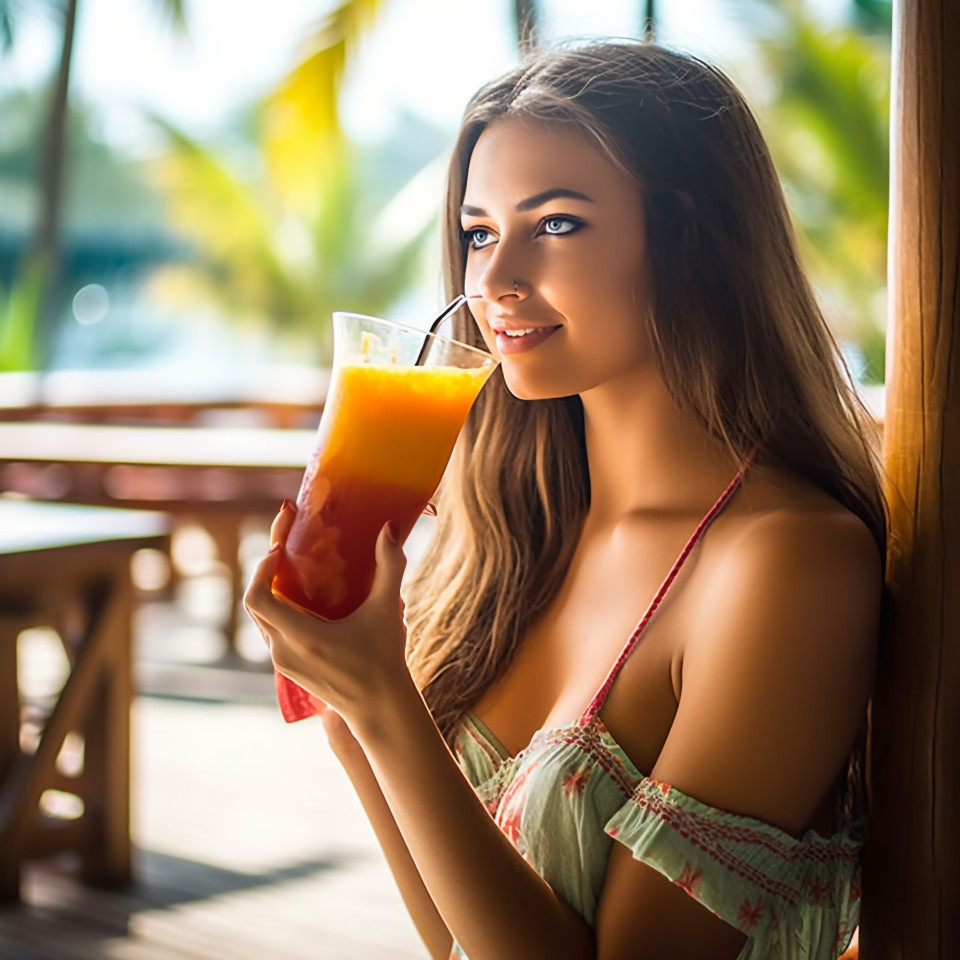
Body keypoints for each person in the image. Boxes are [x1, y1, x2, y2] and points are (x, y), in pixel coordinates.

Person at [244, 40, 885, 960]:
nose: (495, 280)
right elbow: (460, 941)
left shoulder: (789, 561)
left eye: (555, 225)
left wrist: (390, 706)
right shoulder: (516, 540)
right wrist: (354, 717)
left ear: (689, 238)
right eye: (477, 232)